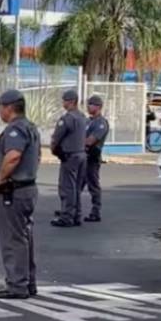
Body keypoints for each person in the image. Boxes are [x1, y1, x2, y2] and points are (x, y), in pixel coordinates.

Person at [0, 89, 40, 299]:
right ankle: (28, 281)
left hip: (14, 191)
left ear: (9, 107)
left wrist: (0, 179)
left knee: (13, 239)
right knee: (24, 237)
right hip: (27, 188)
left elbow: (13, 156)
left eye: (0, 107)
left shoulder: (15, 129)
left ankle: (17, 284)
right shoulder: (30, 127)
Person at [50, 89, 87, 227]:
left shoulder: (67, 118)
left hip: (70, 156)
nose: (63, 103)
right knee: (76, 187)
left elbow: (56, 138)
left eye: (65, 100)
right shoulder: (82, 117)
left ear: (71, 101)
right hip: (81, 154)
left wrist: (54, 149)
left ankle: (67, 217)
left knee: (67, 187)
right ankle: (77, 215)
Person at [83, 95, 109, 223]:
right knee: (76, 185)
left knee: (93, 185)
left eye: (91, 104)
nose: (88, 106)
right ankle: (71, 208)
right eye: (88, 104)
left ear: (98, 107)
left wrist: (77, 143)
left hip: (92, 157)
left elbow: (90, 140)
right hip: (83, 157)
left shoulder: (101, 123)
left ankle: (96, 211)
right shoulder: (89, 121)